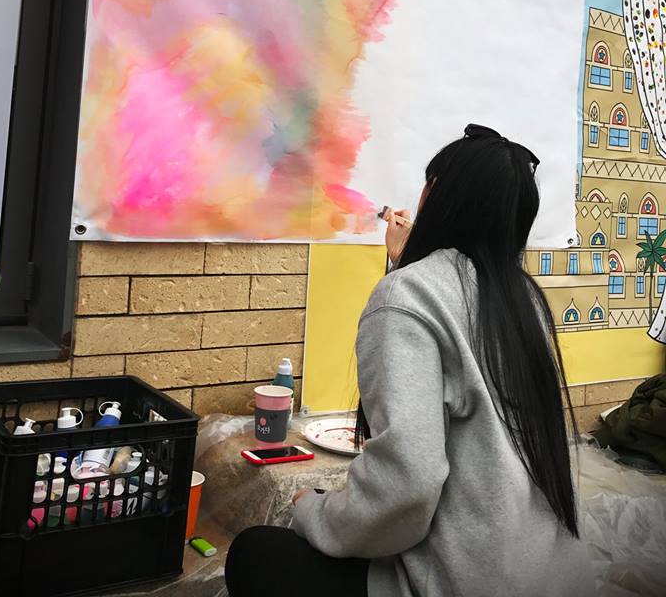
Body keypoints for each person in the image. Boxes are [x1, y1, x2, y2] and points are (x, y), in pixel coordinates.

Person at [225, 125, 595, 597]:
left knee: (255, 552)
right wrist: (405, 265)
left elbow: (408, 486)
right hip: (555, 576)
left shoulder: (408, 295)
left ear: (436, 194)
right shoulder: (522, 296)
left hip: (468, 580)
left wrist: (315, 511)